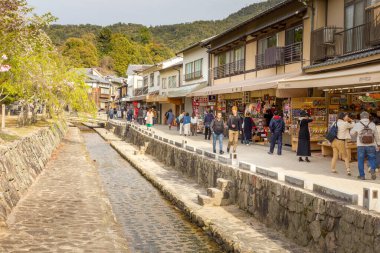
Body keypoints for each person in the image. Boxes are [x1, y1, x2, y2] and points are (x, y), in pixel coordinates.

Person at [350, 111, 380, 180]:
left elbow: (352, 133)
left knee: (360, 160)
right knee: (372, 158)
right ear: (368, 117)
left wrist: (356, 134)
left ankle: (362, 176)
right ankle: (372, 169)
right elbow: (376, 135)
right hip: (371, 144)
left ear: (361, 117)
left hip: (361, 145)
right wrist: (378, 144)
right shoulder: (372, 124)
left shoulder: (358, 124)